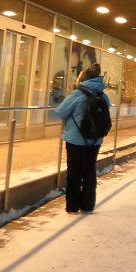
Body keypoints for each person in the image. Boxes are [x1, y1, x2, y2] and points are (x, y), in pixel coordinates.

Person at [54, 63, 110, 214]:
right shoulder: (103, 95)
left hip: (75, 139)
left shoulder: (77, 94)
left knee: (74, 172)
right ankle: (87, 205)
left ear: (83, 79)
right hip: (95, 140)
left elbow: (60, 113)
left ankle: (72, 206)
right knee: (90, 171)